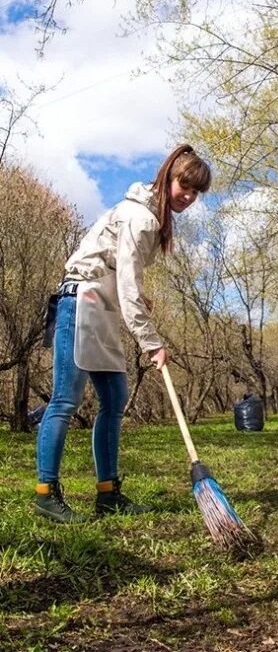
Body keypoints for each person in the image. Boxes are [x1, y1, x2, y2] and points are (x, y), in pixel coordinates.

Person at [34, 145, 212, 522]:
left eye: (197, 192)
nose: (190, 197)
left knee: (114, 399)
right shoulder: (141, 217)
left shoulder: (150, 217)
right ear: (169, 177)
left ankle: (108, 493)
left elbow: (120, 276)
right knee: (65, 401)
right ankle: (45, 493)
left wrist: (138, 298)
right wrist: (152, 343)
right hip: (79, 304)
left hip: (102, 307)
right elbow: (125, 283)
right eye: (186, 186)